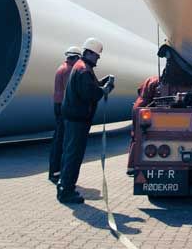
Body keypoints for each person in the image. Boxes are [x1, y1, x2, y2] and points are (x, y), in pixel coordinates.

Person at [57, 37, 115, 204]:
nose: (98, 58)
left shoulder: (82, 68)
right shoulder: (84, 70)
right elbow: (90, 94)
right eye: (96, 55)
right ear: (88, 53)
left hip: (73, 118)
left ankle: (63, 186)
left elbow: (91, 85)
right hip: (78, 120)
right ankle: (66, 191)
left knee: (69, 153)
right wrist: (105, 90)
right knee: (74, 155)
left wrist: (104, 82)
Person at [48, 45, 82, 183]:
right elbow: (72, 90)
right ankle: (56, 172)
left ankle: (54, 171)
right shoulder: (69, 70)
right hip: (63, 107)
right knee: (62, 140)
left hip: (58, 105)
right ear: (75, 58)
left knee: (58, 138)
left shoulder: (61, 67)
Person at [127, 74, 160, 171]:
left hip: (137, 106)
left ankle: (131, 166)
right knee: (140, 137)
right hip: (144, 108)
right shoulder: (158, 81)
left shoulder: (151, 78)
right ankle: (134, 165)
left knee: (135, 136)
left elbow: (139, 89)